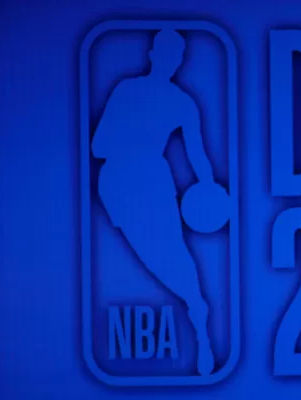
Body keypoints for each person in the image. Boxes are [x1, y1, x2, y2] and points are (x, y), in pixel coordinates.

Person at [91, 29, 215, 376]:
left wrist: (209, 190)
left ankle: (199, 320)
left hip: (153, 182)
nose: (170, 61)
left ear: (178, 61)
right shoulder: (127, 91)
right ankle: (196, 308)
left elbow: (198, 156)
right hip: (121, 185)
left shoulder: (182, 103)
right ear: (154, 55)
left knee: (175, 256)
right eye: (167, 53)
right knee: (158, 256)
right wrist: (135, 142)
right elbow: (98, 147)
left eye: (176, 55)